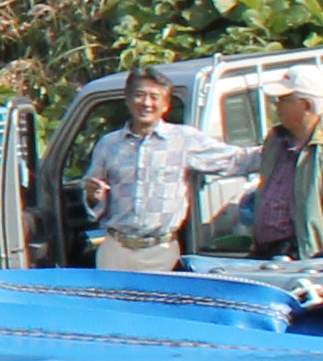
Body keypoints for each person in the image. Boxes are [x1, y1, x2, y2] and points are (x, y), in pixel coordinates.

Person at [82, 66, 250, 272]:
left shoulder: (183, 139)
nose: (146, 103)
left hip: (161, 251)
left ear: (166, 105)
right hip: (116, 250)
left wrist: (281, 148)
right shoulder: (108, 144)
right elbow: (94, 197)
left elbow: (234, 159)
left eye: (154, 97)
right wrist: (93, 196)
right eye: (139, 95)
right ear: (128, 99)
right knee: (112, 304)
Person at [250, 74, 323, 259]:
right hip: (266, 252)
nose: (276, 106)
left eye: (283, 100)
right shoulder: (275, 140)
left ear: (306, 105)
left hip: (303, 256)